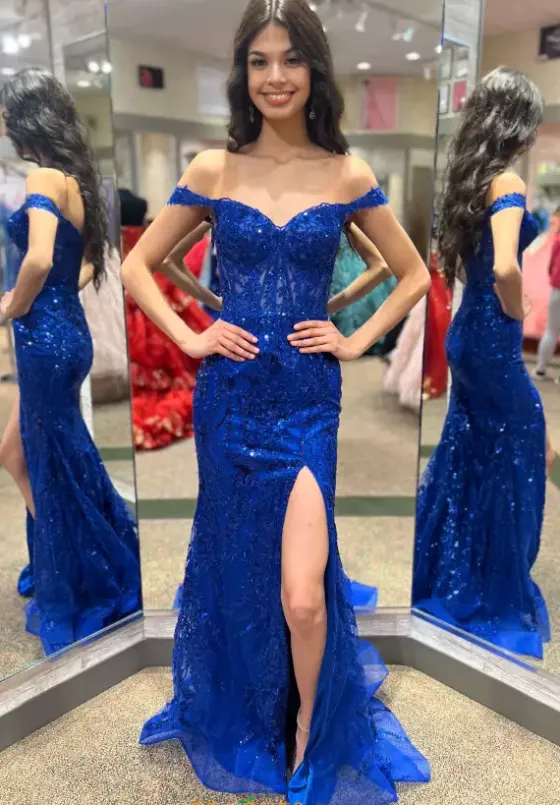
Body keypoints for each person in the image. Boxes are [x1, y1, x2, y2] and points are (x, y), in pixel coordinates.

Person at [121, 1, 431, 802]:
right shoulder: (211, 169)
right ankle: (251, 698)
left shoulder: (347, 172)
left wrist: (354, 339)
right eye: (259, 61)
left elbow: (414, 274)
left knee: (302, 594)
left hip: (306, 402)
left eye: (290, 59)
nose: (275, 76)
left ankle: (305, 726)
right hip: (229, 397)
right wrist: (192, 337)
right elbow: (137, 266)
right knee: (237, 560)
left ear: (314, 69)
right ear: (242, 73)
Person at [413, 67, 554, 659]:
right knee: (523, 443)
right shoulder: (508, 181)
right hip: (493, 336)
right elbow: (504, 267)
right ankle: (491, 578)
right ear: (519, 122)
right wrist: (518, 307)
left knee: (470, 447)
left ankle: (456, 565)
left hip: (467, 335)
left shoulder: (470, 180)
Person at [0, 68, 141, 655]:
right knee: (22, 452)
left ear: (24, 118)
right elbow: (79, 264)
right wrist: (45, 301)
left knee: (50, 457)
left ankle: (81, 561)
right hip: (63, 333)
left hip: (45, 340)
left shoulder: (43, 178)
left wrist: (11, 306)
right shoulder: (73, 182)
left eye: (6, 112)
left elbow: (36, 261)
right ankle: (67, 551)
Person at [534, 205, 560, 380]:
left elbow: (551, 266)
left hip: (558, 288)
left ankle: (540, 369)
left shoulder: (558, 240)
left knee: (551, 330)